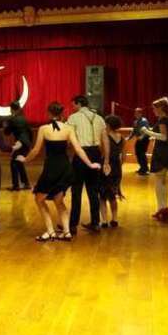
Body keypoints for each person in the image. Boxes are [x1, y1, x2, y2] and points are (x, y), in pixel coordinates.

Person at [18, 101, 100, 242]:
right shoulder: (68, 129)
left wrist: (25, 159)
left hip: (51, 168)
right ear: (62, 114)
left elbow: (36, 150)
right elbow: (78, 149)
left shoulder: (43, 129)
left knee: (39, 199)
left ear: (49, 114)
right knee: (58, 200)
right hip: (65, 168)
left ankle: (50, 231)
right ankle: (66, 232)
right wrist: (90, 164)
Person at [67, 95, 109, 235]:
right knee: (93, 190)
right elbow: (105, 141)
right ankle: (95, 223)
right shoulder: (99, 118)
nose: (73, 107)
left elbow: (69, 139)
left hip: (81, 154)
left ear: (79, 103)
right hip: (96, 153)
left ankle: (73, 225)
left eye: (73, 104)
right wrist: (106, 160)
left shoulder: (73, 118)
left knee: (76, 190)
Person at [141, 97, 168, 221]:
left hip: (162, 152)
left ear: (160, 108)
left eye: (154, 108)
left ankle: (162, 208)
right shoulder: (167, 119)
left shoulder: (163, 119)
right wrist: (153, 135)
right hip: (166, 150)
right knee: (162, 181)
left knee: (159, 181)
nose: (153, 110)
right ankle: (163, 208)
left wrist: (147, 132)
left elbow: (164, 137)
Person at [99, 115, 125, 228]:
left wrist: (106, 162)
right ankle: (114, 219)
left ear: (108, 125)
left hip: (107, 165)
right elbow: (123, 156)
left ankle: (104, 221)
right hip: (117, 167)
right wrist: (118, 166)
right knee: (113, 195)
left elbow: (106, 150)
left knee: (102, 195)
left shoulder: (105, 134)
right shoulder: (122, 137)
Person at [4, 101, 32, 191]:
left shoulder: (13, 119)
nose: (10, 111)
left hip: (20, 143)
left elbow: (7, 133)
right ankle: (26, 183)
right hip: (26, 143)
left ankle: (16, 185)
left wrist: (5, 125)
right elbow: (30, 132)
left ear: (12, 109)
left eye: (10, 109)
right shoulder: (24, 119)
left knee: (14, 163)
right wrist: (29, 143)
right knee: (19, 162)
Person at [131, 107, 150, 175]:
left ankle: (145, 169)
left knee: (142, 154)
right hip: (139, 139)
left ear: (141, 113)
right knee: (137, 153)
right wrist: (129, 137)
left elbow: (146, 130)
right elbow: (134, 131)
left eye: (137, 113)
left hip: (144, 139)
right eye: (135, 113)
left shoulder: (144, 121)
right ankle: (142, 167)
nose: (135, 114)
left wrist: (142, 137)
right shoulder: (135, 121)